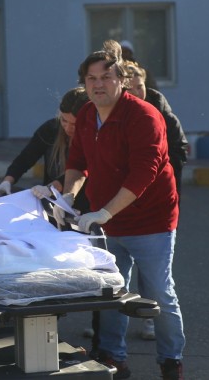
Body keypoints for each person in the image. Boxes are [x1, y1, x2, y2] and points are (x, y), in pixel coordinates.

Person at [56, 43, 185, 380]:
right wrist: (67, 198)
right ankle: (114, 358)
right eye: (91, 79)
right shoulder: (86, 114)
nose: (98, 84)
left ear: (123, 80)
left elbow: (146, 171)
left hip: (150, 220)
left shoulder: (144, 115)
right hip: (107, 220)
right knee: (111, 291)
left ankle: (171, 361)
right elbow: (77, 163)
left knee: (158, 291)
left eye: (106, 77)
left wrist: (106, 212)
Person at [0, 87, 90, 213]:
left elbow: (82, 169)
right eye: (64, 120)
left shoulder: (94, 136)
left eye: (75, 124)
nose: (68, 128)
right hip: (50, 206)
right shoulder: (51, 128)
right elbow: (26, 158)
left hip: (85, 209)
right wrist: (7, 181)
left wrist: (51, 188)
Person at [124, 61, 187, 191]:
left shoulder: (160, 108)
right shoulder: (112, 113)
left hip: (159, 186)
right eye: (130, 88)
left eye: (140, 87)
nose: (136, 93)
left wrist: (161, 170)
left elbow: (179, 147)